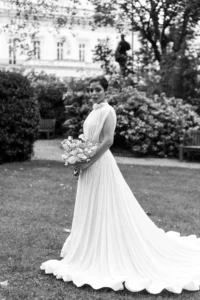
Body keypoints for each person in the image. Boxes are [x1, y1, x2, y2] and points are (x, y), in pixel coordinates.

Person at [40, 76, 200, 295]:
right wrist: (77, 159)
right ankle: (90, 245)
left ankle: (106, 248)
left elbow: (107, 142)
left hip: (100, 163)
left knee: (105, 204)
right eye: (90, 90)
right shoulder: (92, 112)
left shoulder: (108, 111)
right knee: (91, 205)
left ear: (105, 91)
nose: (93, 93)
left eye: (97, 90)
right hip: (87, 163)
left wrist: (87, 160)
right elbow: (88, 139)